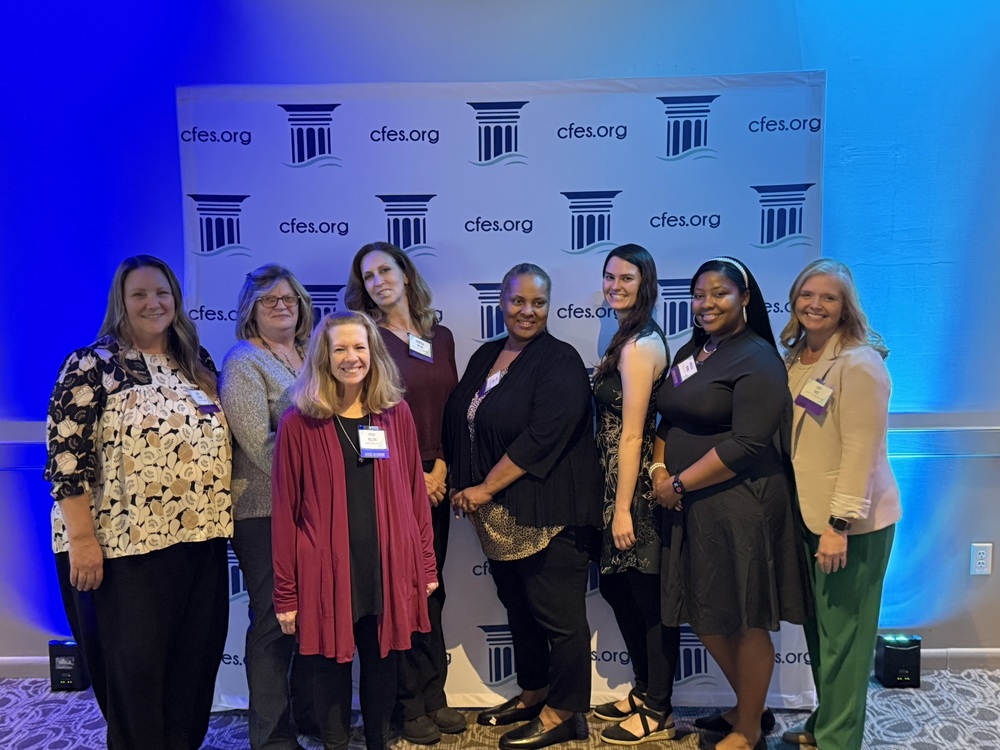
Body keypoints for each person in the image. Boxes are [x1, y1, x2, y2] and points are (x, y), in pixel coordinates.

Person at [44, 254, 232, 750]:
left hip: (200, 542)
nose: (154, 303)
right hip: (122, 551)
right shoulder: (91, 365)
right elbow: (66, 460)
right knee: (137, 680)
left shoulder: (197, 362)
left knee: (194, 668)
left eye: (163, 293)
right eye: (140, 294)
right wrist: (82, 540)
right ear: (121, 303)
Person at [651, 257, 811, 750]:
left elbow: (747, 445)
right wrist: (659, 469)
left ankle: (747, 730)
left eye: (720, 293)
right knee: (706, 612)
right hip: (693, 504)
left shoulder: (757, 357)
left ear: (745, 298)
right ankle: (750, 706)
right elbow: (669, 419)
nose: (707, 303)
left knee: (743, 617)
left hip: (742, 505)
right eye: (699, 294)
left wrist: (678, 485)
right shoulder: (692, 352)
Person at [445, 263, 602, 750]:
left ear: (549, 306)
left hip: (550, 512)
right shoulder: (487, 355)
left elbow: (544, 436)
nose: (527, 311)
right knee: (520, 610)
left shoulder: (561, 360)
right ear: (501, 302)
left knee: (560, 618)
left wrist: (485, 488)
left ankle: (566, 710)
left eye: (538, 302)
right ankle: (534, 691)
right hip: (497, 517)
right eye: (518, 301)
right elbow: (461, 420)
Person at [271, 310, 438, 750]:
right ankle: (336, 744)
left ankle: (381, 742)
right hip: (327, 571)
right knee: (329, 669)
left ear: (373, 352)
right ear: (322, 357)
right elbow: (286, 513)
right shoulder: (298, 422)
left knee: (383, 662)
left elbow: (414, 496)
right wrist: (285, 592)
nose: (351, 357)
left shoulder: (395, 413)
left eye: (359, 347)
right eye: (339, 348)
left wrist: (425, 562)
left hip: (386, 566)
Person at [345, 242, 465, 745]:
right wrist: (415, 476)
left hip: (438, 477)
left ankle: (433, 694)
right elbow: (366, 415)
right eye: (368, 276)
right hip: (391, 481)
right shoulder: (362, 339)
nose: (378, 281)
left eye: (385, 270)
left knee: (431, 590)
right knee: (400, 594)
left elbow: (453, 408)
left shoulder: (442, 336)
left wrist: (442, 468)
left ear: (405, 274)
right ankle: (407, 703)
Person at [780, 259, 900, 750]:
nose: (816, 304)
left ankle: (838, 741)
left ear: (845, 307)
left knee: (846, 641)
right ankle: (824, 722)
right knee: (821, 634)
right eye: (808, 294)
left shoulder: (860, 364)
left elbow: (860, 453)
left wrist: (838, 525)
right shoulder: (797, 358)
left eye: (828, 297)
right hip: (808, 515)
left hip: (850, 523)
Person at [590, 244, 680, 746]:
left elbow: (633, 433)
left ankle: (660, 708)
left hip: (636, 494)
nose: (615, 286)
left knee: (647, 599)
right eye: (609, 277)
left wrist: (623, 508)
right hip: (613, 490)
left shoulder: (641, 344)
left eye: (627, 278)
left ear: (646, 284)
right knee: (617, 589)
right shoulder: (625, 336)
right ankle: (645, 689)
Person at [220, 264, 312, 750]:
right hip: (263, 510)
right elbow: (260, 446)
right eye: (269, 300)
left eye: (290, 299)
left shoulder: (306, 355)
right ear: (250, 310)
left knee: (305, 619)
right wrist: (329, 464)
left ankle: (303, 719)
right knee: (276, 619)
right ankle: (272, 737)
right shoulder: (242, 362)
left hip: (309, 509)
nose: (282, 306)